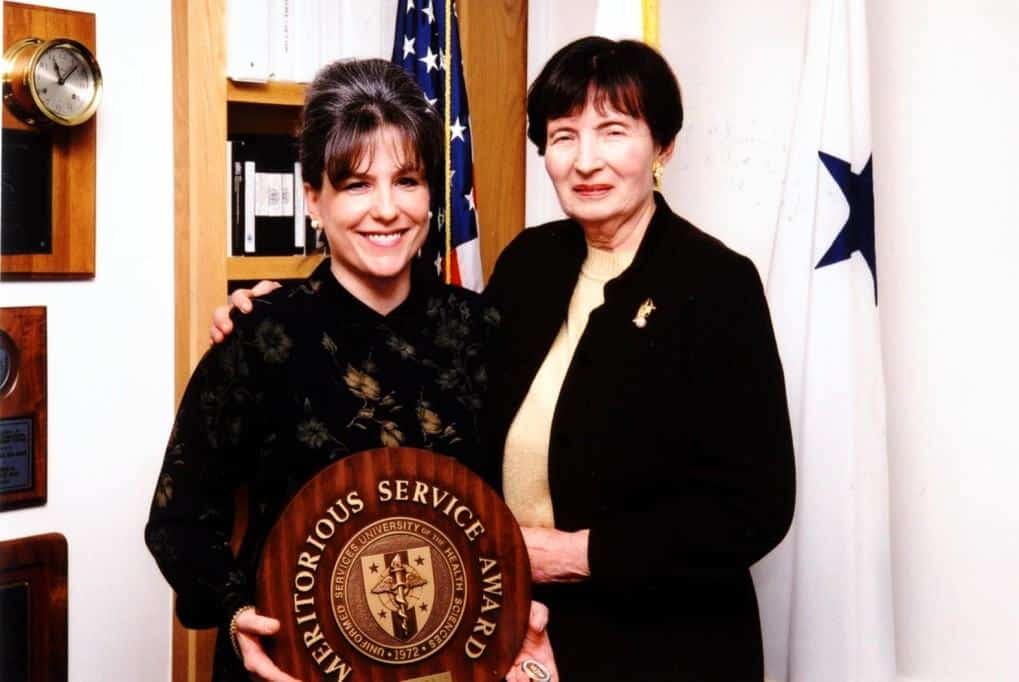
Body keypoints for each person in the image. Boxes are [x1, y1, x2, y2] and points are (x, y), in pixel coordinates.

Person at [215, 37, 795, 681]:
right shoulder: (530, 265)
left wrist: (580, 553)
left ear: (662, 146)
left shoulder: (716, 285)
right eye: (564, 135)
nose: (587, 160)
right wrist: (268, 313)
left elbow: (758, 507)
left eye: (613, 131)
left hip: (668, 645)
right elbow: (436, 381)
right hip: (522, 638)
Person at [146, 58, 554, 682]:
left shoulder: (485, 331)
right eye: (357, 184)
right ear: (314, 197)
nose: (387, 210)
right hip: (292, 667)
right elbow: (178, 522)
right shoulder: (259, 336)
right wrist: (235, 617)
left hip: (456, 663)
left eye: (408, 180)